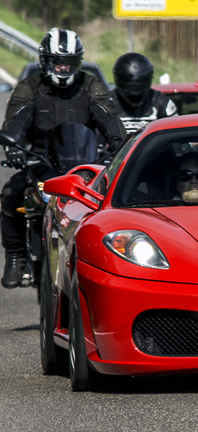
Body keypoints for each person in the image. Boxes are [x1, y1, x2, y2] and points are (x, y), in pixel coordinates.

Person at [1, 28, 127, 289]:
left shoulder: (92, 86)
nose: (62, 67)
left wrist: (120, 150)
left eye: (68, 62)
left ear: (77, 62)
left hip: (82, 168)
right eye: (57, 62)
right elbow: (15, 123)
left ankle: (108, 265)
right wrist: (13, 148)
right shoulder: (29, 87)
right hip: (40, 164)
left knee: (110, 204)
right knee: (11, 193)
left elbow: (112, 125)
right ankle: (15, 256)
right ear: (44, 61)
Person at [111, 53, 178, 135]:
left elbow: (174, 136)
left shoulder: (161, 103)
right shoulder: (106, 104)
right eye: (130, 83)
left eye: (139, 82)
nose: (134, 87)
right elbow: (96, 141)